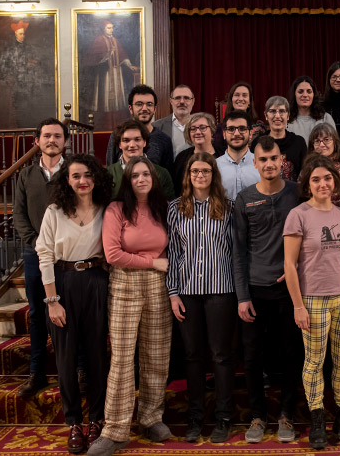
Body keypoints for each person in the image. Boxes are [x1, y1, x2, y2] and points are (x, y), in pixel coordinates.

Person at [89, 157, 172, 456]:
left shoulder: (163, 208)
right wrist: (152, 262)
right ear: (128, 179)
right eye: (134, 175)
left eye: (145, 173)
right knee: (123, 359)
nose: (141, 179)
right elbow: (112, 254)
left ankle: (151, 418)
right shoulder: (116, 209)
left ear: (153, 177)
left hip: (158, 286)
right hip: (126, 284)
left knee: (157, 355)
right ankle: (116, 429)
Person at [35, 154, 112, 454]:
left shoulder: (107, 210)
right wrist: (52, 301)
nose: (83, 181)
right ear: (67, 180)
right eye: (76, 176)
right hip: (63, 285)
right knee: (66, 360)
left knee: (97, 356)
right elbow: (44, 255)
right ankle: (74, 423)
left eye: (88, 175)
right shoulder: (55, 211)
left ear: (96, 178)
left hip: (96, 282)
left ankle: (96, 419)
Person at [232, 135, 303, 444]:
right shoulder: (244, 199)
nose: (269, 164)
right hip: (255, 291)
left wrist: (296, 273)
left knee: (291, 354)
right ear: (254, 162)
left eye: (274, 158)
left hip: (289, 291)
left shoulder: (298, 193)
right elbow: (238, 250)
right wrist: (243, 296)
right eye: (263, 159)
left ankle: (288, 414)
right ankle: (257, 416)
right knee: (253, 358)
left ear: (281, 160)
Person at [283, 155, 340, 450]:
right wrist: (298, 305)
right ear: (307, 184)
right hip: (312, 298)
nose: (323, 184)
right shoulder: (298, 214)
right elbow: (289, 264)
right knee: (314, 361)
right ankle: (317, 420)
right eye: (316, 179)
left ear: (335, 182)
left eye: (327, 178)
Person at [166, 153, 236, 444]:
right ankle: (195, 417)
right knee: (193, 357)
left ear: (213, 174)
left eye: (206, 170)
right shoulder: (175, 209)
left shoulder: (228, 208)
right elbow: (171, 253)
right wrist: (173, 293)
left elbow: (235, 252)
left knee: (220, 356)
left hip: (221, 290)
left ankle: (223, 417)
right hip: (188, 292)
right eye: (195, 170)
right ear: (188, 174)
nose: (200, 175)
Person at [14, 118, 70, 399]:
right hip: (36, 253)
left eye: (57, 136)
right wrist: (40, 246)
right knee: (37, 314)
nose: (52, 140)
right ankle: (37, 373)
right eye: (46, 136)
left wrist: (61, 245)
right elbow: (19, 216)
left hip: (68, 254)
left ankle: (76, 370)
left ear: (65, 141)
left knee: (70, 311)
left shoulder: (73, 171)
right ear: (37, 141)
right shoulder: (26, 176)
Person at [0, 19, 53, 128]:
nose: (23, 36)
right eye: (21, 34)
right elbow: (3, 69)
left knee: (31, 113)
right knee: (18, 115)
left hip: (30, 86)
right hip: (16, 88)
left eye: (24, 34)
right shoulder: (9, 50)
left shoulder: (29, 48)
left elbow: (37, 64)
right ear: (15, 34)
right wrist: (24, 67)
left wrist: (34, 64)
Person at [83, 20, 140, 131]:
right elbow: (92, 58)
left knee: (117, 99)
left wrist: (129, 65)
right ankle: (106, 122)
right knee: (105, 99)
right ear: (103, 29)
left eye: (112, 27)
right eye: (109, 28)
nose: (111, 30)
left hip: (116, 73)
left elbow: (122, 55)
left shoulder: (115, 40)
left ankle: (117, 121)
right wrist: (106, 56)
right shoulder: (99, 40)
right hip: (105, 74)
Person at [105, 85, 173, 169]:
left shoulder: (164, 140)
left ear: (154, 109)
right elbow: (111, 170)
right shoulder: (118, 135)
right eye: (139, 104)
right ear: (130, 108)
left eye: (149, 104)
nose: (144, 108)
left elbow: (167, 175)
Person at [106, 120, 175, 200]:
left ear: (144, 142)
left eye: (137, 139)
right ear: (120, 145)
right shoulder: (108, 174)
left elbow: (170, 207)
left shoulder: (161, 174)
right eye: (126, 140)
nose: (132, 145)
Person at [306, 123, 340, 210]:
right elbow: (304, 202)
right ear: (312, 146)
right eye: (317, 141)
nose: (322, 145)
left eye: (326, 139)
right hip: (312, 221)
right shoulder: (306, 171)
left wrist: (318, 204)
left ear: (335, 143)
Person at [171, 112, 226, 197]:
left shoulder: (224, 154)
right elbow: (178, 189)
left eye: (202, 128)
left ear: (211, 130)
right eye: (193, 129)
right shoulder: (181, 158)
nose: (197, 132)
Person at [258, 95, 306, 181]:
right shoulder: (258, 143)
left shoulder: (299, 142)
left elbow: (305, 174)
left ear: (288, 115)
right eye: (272, 111)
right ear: (265, 115)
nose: (277, 116)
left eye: (282, 111)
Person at [217, 110, 260, 200]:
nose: (236, 133)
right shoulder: (215, 166)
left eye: (242, 128)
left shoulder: (261, 164)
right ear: (224, 134)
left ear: (250, 133)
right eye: (231, 129)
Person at [286, 75, 336, 146]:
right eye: (300, 92)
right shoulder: (286, 120)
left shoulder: (326, 118)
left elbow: (334, 146)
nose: (305, 95)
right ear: (294, 95)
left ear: (314, 95)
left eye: (309, 91)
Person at [214, 82, 263, 151]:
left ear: (249, 102)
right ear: (231, 99)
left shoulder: (260, 127)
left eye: (244, 95)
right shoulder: (221, 128)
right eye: (237, 95)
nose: (240, 99)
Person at [153, 84, 195, 157]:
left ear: (193, 101)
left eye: (186, 98)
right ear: (171, 101)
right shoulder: (156, 127)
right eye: (178, 98)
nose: (182, 101)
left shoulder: (202, 127)